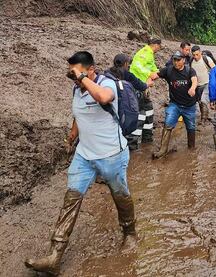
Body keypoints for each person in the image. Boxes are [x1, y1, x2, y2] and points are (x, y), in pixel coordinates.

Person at [25, 51, 136, 275]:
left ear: (91, 70)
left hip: (112, 154)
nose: (73, 77)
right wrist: (71, 136)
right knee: (71, 198)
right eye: (72, 73)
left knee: (120, 195)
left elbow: (104, 99)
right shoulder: (77, 88)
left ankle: (130, 233)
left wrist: (83, 78)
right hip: (84, 155)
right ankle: (55, 257)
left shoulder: (107, 84)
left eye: (77, 72)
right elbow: (78, 115)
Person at [152, 51, 198, 159]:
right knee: (168, 124)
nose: (176, 62)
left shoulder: (189, 70)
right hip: (175, 104)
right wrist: (147, 83)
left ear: (183, 60)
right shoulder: (168, 70)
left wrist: (192, 88)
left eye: (178, 60)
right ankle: (162, 150)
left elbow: (195, 80)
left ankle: (191, 149)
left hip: (189, 106)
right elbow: (154, 75)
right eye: (174, 60)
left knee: (191, 127)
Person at [108, 54, 154, 150]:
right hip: (127, 104)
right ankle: (133, 145)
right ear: (125, 64)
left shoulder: (108, 73)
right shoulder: (128, 75)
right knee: (140, 115)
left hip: (112, 103)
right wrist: (148, 83)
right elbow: (141, 86)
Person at [129, 38, 162, 146]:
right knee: (140, 113)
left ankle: (147, 138)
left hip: (144, 88)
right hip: (137, 86)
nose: (160, 48)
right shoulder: (144, 52)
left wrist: (158, 73)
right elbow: (137, 66)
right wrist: (149, 75)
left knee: (148, 110)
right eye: (159, 46)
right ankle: (132, 143)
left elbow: (153, 67)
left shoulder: (150, 54)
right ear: (156, 45)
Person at [190, 45, 216, 124]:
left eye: (197, 54)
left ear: (200, 52)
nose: (195, 56)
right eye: (194, 55)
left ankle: (203, 119)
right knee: (200, 102)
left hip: (206, 83)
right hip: (196, 85)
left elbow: (215, 70)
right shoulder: (191, 60)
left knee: (203, 100)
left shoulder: (206, 59)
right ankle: (204, 115)